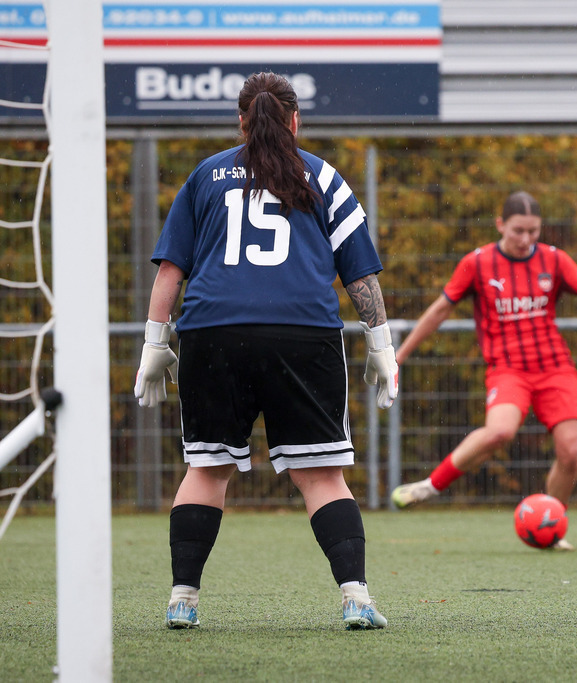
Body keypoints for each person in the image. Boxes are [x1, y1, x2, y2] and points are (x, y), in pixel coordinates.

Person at [133, 72, 398, 630]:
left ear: (241, 120)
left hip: (213, 332)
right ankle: (355, 596)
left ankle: (183, 599)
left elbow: (171, 271)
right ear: (294, 120)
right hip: (301, 334)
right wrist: (380, 343)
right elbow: (361, 276)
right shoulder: (323, 175)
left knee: (206, 468)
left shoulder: (207, 175)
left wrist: (155, 342)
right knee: (322, 476)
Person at [389, 191, 577, 550]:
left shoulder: (554, 260)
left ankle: (550, 524)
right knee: (499, 432)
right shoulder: (477, 263)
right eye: (518, 231)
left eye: (534, 231)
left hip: (555, 368)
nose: (526, 239)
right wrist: (398, 356)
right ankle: (430, 486)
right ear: (500, 224)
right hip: (508, 370)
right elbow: (439, 311)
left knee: (571, 452)